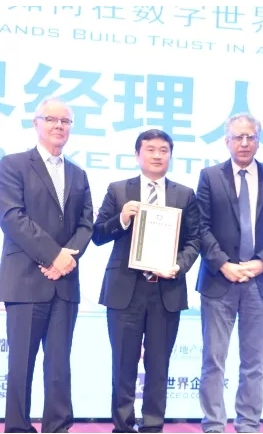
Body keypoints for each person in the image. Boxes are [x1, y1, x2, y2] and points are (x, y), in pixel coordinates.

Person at [0, 97, 94, 433]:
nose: (58, 126)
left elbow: (86, 224)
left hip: (64, 283)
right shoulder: (14, 165)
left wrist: (67, 259)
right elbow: (12, 217)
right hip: (25, 280)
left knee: (59, 365)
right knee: (21, 364)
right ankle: (18, 428)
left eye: (65, 121)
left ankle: (58, 427)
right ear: (36, 123)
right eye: (51, 119)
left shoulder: (78, 174)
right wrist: (54, 255)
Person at [92, 129, 200, 433]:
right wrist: (122, 219)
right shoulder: (118, 190)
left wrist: (178, 266)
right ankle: (123, 427)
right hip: (125, 290)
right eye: (150, 149)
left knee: (158, 365)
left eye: (163, 150)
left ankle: (153, 426)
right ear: (137, 154)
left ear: (170, 156)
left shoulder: (184, 194)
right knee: (123, 364)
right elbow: (97, 234)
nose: (157, 155)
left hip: (166, 290)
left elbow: (194, 240)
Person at [196, 113, 263, 433]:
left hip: (259, 282)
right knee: (214, 360)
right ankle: (213, 424)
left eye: (250, 137)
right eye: (238, 137)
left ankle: (248, 424)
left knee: (253, 362)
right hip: (219, 280)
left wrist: (262, 262)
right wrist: (223, 263)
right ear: (226, 141)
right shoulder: (210, 177)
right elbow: (201, 227)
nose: (244, 143)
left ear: (259, 141)